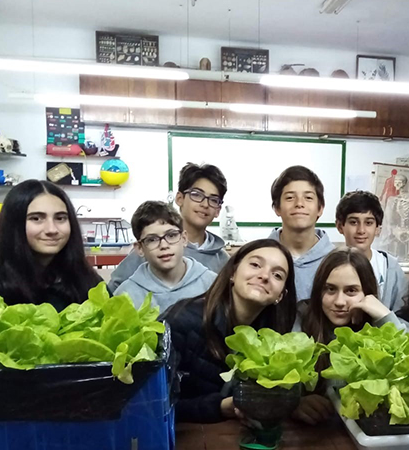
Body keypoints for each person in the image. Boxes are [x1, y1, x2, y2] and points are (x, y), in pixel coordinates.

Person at [161, 239, 297, 423]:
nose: (265, 276)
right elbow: (152, 406)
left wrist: (294, 401)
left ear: (280, 295)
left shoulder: (272, 338)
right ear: (233, 272)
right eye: (255, 265)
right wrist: (217, 407)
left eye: (278, 275)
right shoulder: (181, 321)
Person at [0, 180, 102, 327]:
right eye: (36, 218)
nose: (52, 229)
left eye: (60, 218)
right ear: (14, 225)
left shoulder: (89, 285)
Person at [294, 247, 405, 425]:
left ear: (368, 293)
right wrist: (294, 404)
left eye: (351, 291)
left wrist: (385, 317)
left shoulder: (383, 325)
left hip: (366, 434)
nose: (339, 301)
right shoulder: (301, 321)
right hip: (310, 438)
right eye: (330, 289)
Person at [109, 163, 229, 290]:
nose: (205, 204)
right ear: (179, 198)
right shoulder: (153, 247)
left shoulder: (222, 259)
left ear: (218, 210)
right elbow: (113, 291)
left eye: (213, 200)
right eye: (197, 195)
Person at [114, 201, 216, 314]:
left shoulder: (212, 285)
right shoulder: (126, 296)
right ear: (140, 248)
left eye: (171, 235)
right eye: (152, 239)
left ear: (184, 239)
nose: (164, 245)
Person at [268, 165, 334, 301]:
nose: (299, 204)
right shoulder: (257, 257)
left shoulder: (336, 260)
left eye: (308, 198)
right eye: (290, 198)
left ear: (320, 208)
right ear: (277, 208)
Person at [335, 190, 406, 311]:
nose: (361, 230)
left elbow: (402, 313)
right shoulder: (329, 265)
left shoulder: (390, 268)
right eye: (353, 222)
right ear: (340, 226)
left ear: (378, 229)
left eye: (368, 223)